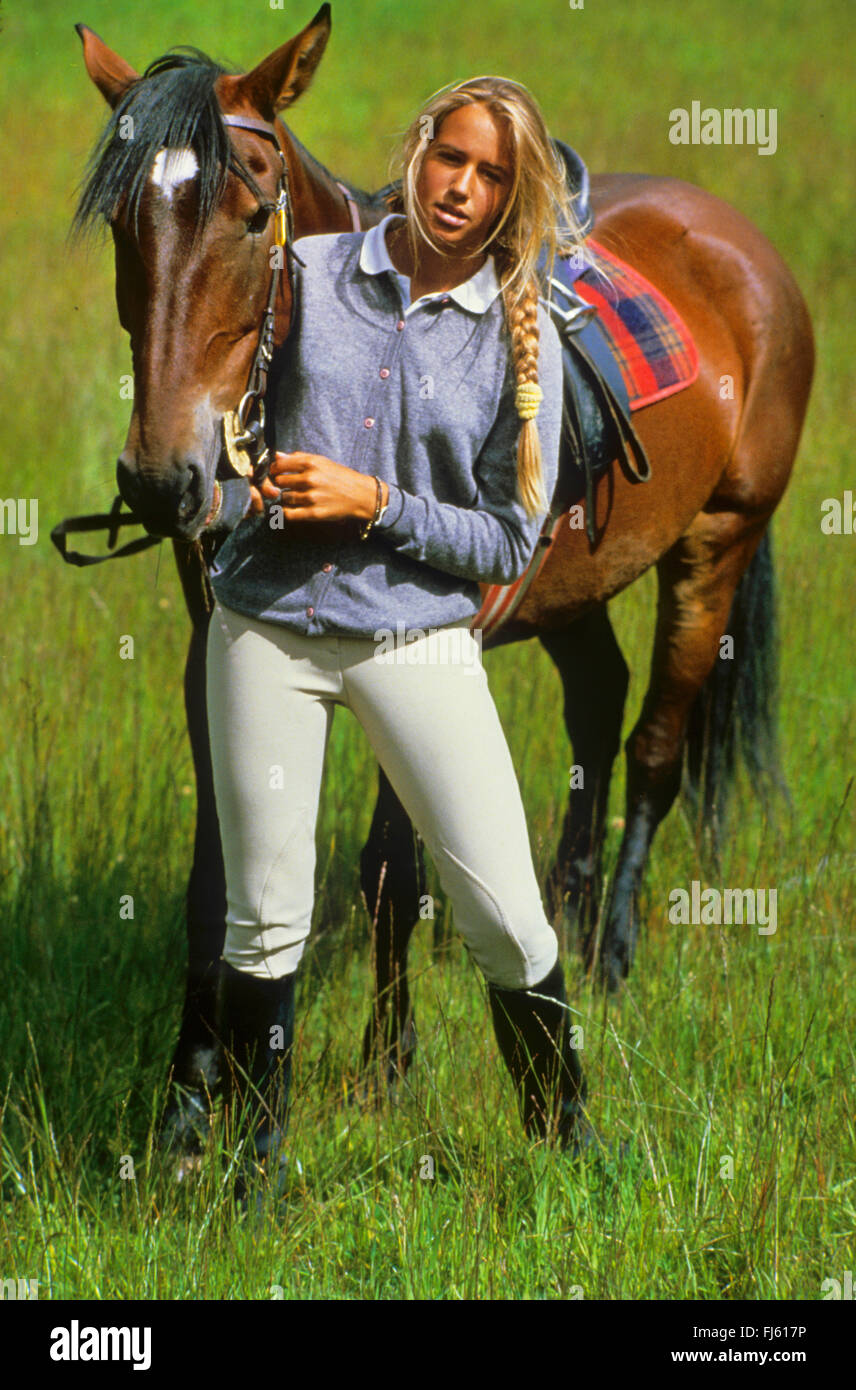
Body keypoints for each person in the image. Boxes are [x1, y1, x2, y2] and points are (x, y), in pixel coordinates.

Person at [206, 76, 593, 1178]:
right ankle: (251, 1172)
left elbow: (511, 542)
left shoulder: (523, 346)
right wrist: (225, 492)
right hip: (263, 631)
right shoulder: (305, 274)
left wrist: (373, 502)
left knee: (507, 923)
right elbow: (230, 425)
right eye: (448, 158)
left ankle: (567, 1151)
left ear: (514, 199)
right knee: (264, 925)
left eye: (491, 176)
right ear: (417, 151)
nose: (461, 188)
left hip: (412, 640)